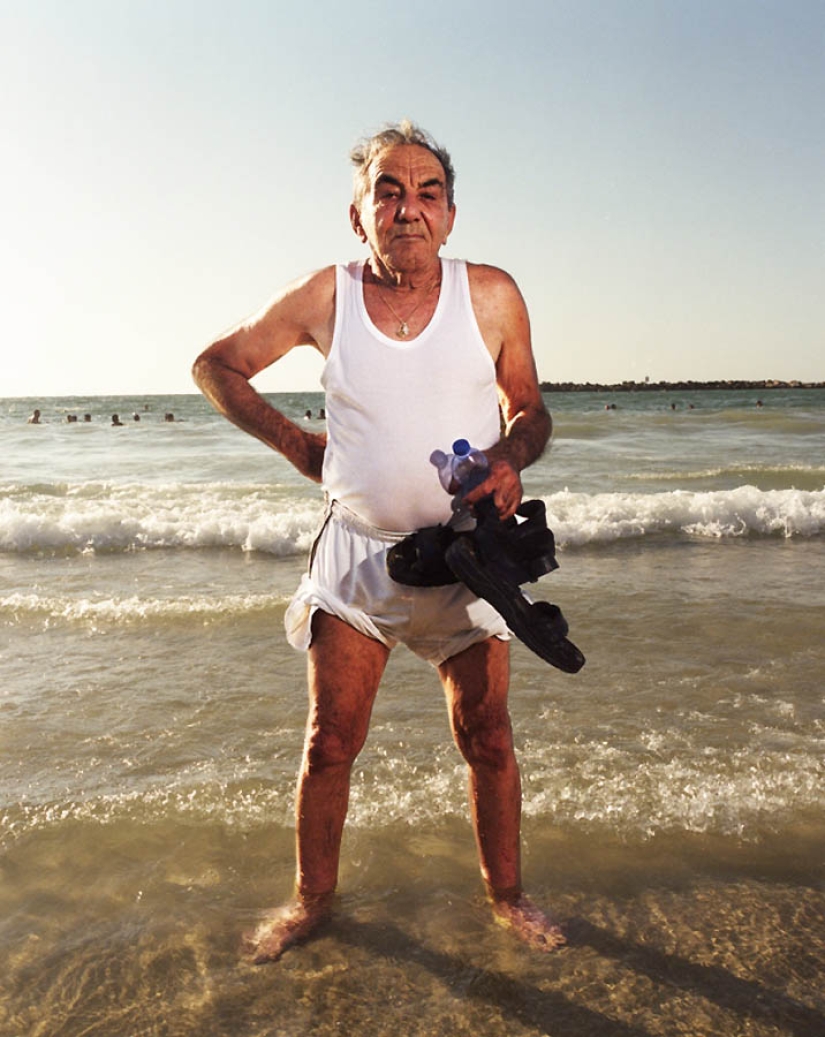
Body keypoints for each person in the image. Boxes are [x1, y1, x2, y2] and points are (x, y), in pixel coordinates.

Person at [192, 121, 563, 963]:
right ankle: (310, 900)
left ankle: (506, 895)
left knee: (489, 736)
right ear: (358, 216)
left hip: (466, 559)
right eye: (387, 192)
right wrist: (300, 449)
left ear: (451, 215)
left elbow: (529, 409)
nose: (408, 208)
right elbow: (216, 364)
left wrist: (509, 456)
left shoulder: (492, 295)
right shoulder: (326, 294)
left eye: (426, 192)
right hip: (358, 558)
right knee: (329, 741)